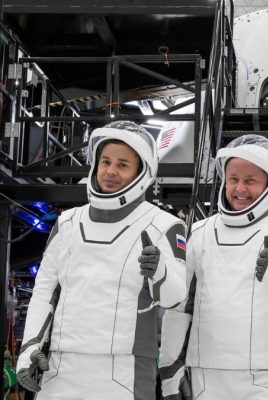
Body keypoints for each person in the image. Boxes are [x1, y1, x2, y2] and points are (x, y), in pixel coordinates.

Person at [16, 121, 188, 400]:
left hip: (125, 373)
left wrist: (160, 272)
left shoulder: (164, 225)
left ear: (142, 172)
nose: (110, 171)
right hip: (60, 369)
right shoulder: (68, 222)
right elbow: (45, 292)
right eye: (105, 161)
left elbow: (177, 299)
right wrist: (29, 348)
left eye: (122, 165)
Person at [159, 134, 268, 400]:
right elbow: (180, 306)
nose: (239, 188)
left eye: (250, 181)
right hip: (205, 376)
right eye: (233, 179)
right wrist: (169, 367)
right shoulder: (200, 232)